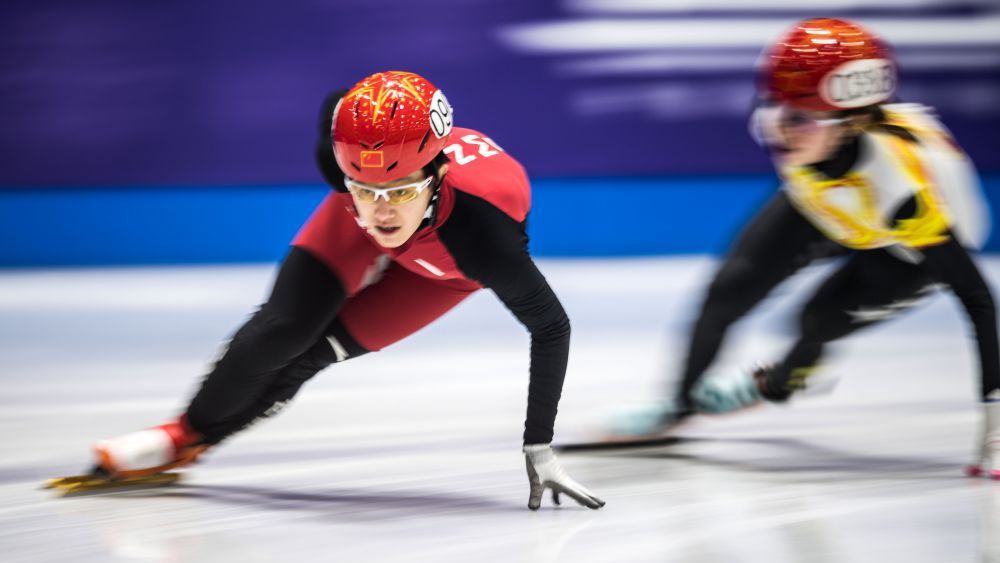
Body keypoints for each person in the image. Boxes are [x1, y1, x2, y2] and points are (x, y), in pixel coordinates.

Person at [90, 71, 605, 509]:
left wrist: (538, 445)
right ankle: (179, 432)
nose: (382, 211)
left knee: (313, 354)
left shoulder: (485, 239)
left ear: (439, 173)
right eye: (365, 189)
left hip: (442, 273)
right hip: (360, 222)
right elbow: (342, 109)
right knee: (282, 330)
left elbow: (552, 328)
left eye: (401, 191)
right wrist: (367, 183)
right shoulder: (351, 167)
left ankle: (198, 443)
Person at [617, 18, 999, 478]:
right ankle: (679, 407)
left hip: (904, 247)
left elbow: (979, 301)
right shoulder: (801, 129)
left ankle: (780, 382)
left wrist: (995, 426)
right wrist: (797, 117)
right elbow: (798, 124)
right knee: (728, 291)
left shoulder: (902, 195)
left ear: (853, 123)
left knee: (816, 320)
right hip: (838, 200)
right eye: (776, 108)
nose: (781, 131)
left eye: (800, 119)